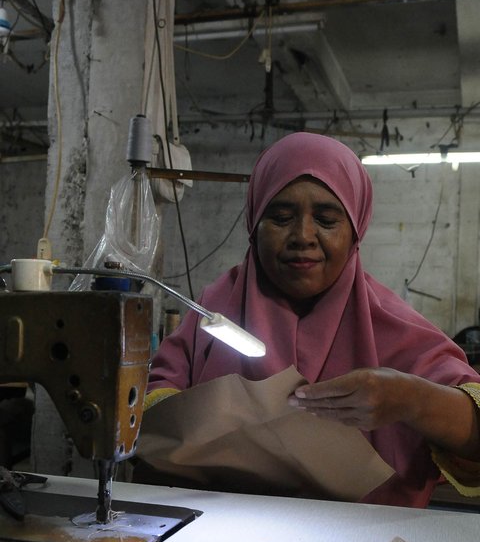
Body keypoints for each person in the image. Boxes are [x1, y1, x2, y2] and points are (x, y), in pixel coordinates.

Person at [145, 131, 480, 507]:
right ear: (255, 225)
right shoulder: (215, 312)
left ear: (355, 231)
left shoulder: (397, 329)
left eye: (325, 219)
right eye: (281, 216)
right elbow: (155, 397)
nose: (302, 236)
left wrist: (410, 400)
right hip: (224, 538)